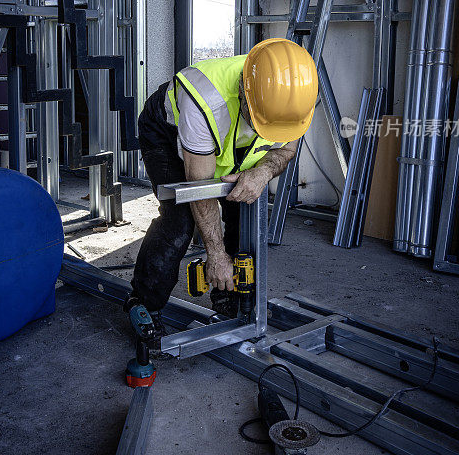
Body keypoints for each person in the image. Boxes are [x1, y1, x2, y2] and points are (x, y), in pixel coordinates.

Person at [127, 37, 318, 349]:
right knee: (180, 220)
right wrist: (215, 254)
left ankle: (230, 298)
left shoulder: (295, 96)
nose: (265, 135)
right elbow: (199, 188)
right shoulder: (203, 100)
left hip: (231, 143)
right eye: (260, 125)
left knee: (245, 212)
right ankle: (144, 301)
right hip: (168, 132)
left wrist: (263, 171)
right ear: (244, 93)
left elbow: (287, 149)